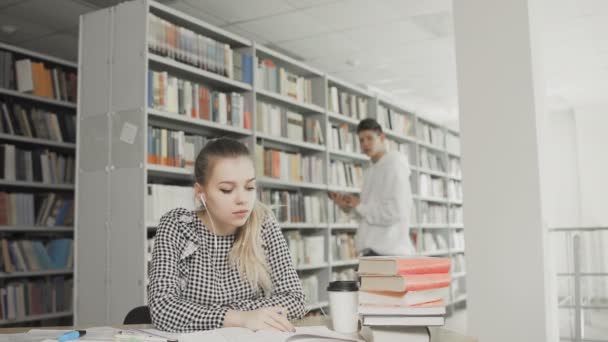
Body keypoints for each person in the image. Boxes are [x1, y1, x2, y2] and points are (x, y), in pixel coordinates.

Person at [148, 138, 305, 332]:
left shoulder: (264, 223)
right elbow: (162, 308)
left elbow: (295, 300)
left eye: (249, 188)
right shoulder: (176, 226)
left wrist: (231, 316)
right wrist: (239, 318)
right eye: (227, 190)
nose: (242, 200)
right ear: (201, 193)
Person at [329, 118, 415, 257]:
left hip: (388, 254)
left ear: (381, 138)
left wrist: (360, 206)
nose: (365, 144)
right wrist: (349, 207)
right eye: (361, 140)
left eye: (370, 138)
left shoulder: (394, 166)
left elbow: (394, 212)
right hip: (371, 252)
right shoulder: (371, 171)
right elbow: (368, 214)